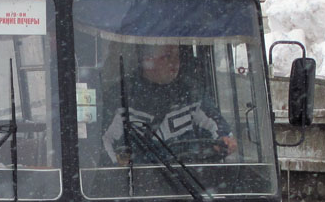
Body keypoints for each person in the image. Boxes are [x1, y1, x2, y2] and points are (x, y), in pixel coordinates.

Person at [100, 43, 237, 165]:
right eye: (167, 57)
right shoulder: (122, 97)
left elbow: (219, 128)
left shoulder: (190, 93)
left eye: (177, 56)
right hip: (137, 185)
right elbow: (104, 143)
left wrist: (225, 141)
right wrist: (121, 173)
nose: (175, 63)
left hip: (190, 181)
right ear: (148, 60)